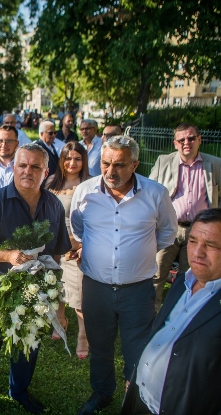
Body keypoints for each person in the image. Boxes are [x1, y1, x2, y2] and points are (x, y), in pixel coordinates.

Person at [70, 136, 177, 415]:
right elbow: (78, 230)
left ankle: (135, 400)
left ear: (135, 165)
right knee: (100, 347)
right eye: (105, 163)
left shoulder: (156, 193)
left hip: (137, 290)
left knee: (138, 350)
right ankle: (102, 394)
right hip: (96, 289)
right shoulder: (85, 192)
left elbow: (166, 234)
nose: (110, 171)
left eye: (119, 165)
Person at [121, 208, 221, 415]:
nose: (197, 252)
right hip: (140, 401)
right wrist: (138, 376)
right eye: (193, 241)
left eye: (211, 245)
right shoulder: (183, 281)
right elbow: (162, 334)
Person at [0, 143, 71, 415]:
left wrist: (58, 302)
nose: (28, 171)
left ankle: (19, 390)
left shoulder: (54, 206)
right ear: (14, 167)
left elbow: (57, 256)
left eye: (35, 166)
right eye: (22, 165)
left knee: (29, 343)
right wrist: (9, 255)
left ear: (46, 171)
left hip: (36, 291)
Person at [149, 123, 221, 311]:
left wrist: (218, 221)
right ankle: (151, 319)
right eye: (182, 139)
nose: (187, 142)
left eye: (191, 138)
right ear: (175, 143)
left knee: (192, 276)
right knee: (157, 273)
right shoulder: (164, 161)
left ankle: (183, 317)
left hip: (200, 231)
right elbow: (150, 192)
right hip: (169, 227)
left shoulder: (215, 164)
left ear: (199, 140)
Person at [46, 142, 91, 358]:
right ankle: (60, 320)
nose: (72, 163)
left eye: (78, 158)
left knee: (79, 294)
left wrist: (81, 244)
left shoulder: (91, 185)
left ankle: (84, 334)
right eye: (68, 158)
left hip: (77, 246)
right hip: (53, 245)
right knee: (56, 287)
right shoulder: (50, 183)